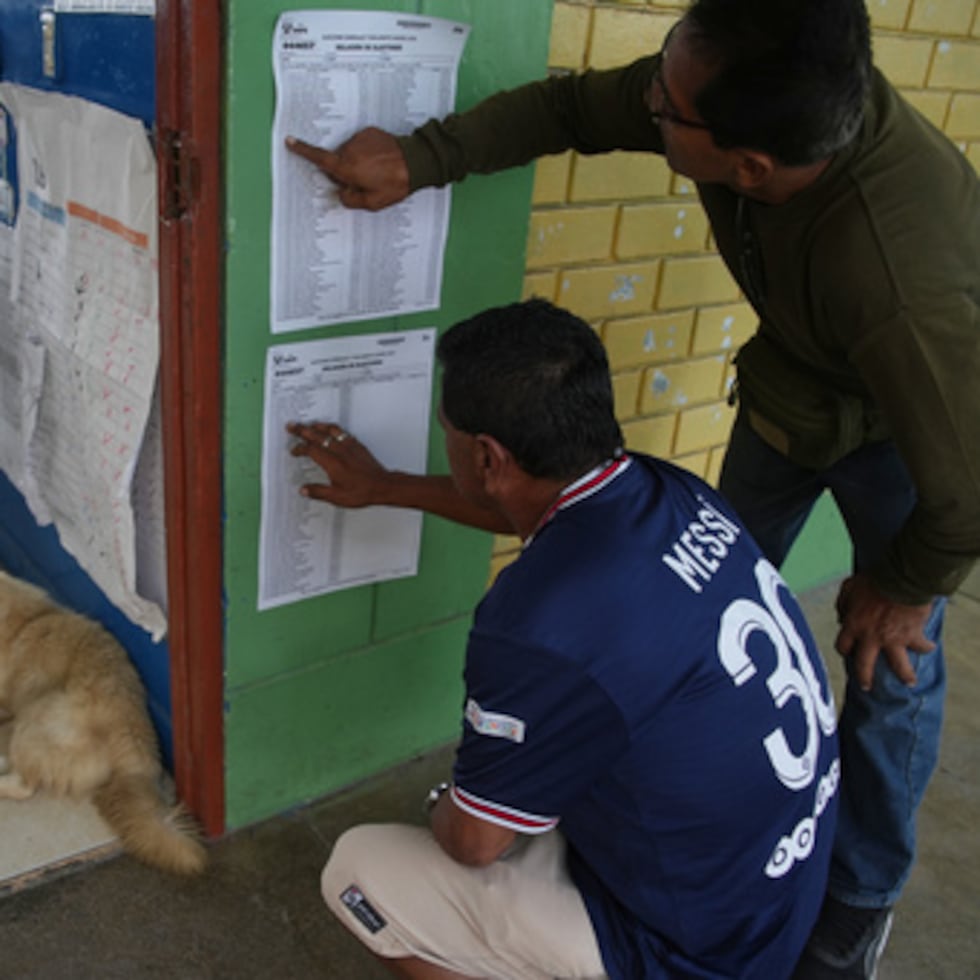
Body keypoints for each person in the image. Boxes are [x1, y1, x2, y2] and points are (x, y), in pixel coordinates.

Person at [285, 1, 980, 976]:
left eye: (666, 104)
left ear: (746, 165)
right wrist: (422, 156)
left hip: (928, 437)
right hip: (795, 386)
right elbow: (573, 109)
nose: (647, 100)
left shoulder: (900, 275)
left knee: (889, 664)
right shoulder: (663, 492)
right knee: (701, 613)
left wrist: (902, 583)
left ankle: (856, 908)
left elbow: (468, 844)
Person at [289, 299, 840, 979]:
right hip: (774, 896)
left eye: (449, 432)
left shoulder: (538, 626)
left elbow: (474, 844)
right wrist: (387, 487)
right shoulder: (670, 492)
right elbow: (525, 505)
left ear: (487, 456)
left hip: (696, 953)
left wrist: (446, 806)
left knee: (359, 870)